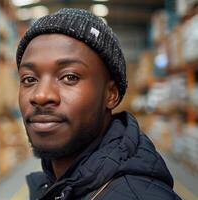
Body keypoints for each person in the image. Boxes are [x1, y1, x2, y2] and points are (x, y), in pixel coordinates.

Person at [16, 8, 181, 200]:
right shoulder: (55, 185)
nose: (41, 95)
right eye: (29, 79)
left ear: (111, 94)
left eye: (69, 77)